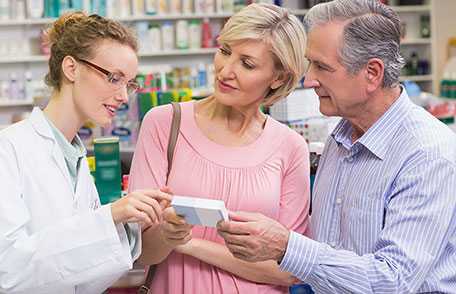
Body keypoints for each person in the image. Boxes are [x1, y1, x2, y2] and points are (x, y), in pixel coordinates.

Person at [217, 0, 456, 293]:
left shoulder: (427, 154)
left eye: (321, 67)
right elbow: (331, 251)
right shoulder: (341, 138)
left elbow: (393, 282)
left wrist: (285, 245)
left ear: (372, 73)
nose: (309, 80)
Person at [129, 3, 310, 293]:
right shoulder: (165, 124)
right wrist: (167, 234)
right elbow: (141, 251)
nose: (226, 71)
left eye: (247, 64)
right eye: (225, 51)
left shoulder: (290, 147)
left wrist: (190, 244)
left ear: (278, 78)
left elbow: (288, 270)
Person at [0, 12, 171, 294]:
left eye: (129, 83)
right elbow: (8, 271)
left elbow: (79, 274)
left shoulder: (76, 158)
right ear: (71, 68)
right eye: (114, 78)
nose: (124, 96)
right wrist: (109, 217)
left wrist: (142, 227)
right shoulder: (9, 150)